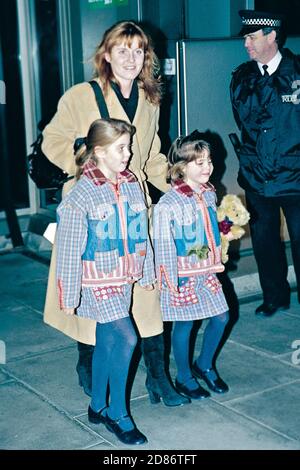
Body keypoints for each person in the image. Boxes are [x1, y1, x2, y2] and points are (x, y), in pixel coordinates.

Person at [42, 20, 187, 406]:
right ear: (106, 54)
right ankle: (87, 364)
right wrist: (88, 161)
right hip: (92, 206)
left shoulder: (151, 98)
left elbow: (153, 156)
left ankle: (158, 377)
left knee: (147, 292)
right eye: (122, 49)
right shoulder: (80, 95)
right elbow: (52, 142)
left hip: (135, 207)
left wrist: (183, 188)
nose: (131, 57)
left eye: (139, 50)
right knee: (92, 294)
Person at [56, 118, 153, 445]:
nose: (128, 154)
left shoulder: (130, 183)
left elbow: (142, 230)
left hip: (123, 277)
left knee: (108, 340)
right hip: (96, 281)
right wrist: (69, 294)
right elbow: (68, 250)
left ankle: (97, 404)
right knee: (127, 339)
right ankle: (117, 413)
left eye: (128, 147)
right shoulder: (81, 194)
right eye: (121, 148)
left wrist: (148, 269)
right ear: (99, 152)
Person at [230, 10, 300, 317]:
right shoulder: (243, 77)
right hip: (257, 176)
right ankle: (275, 296)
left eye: (252, 37)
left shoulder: (298, 73)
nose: (246, 43)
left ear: (272, 36)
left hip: (296, 176)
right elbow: (245, 120)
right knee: (264, 241)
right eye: (246, 37)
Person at [153, 132, 229, 399]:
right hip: (181, 274)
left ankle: (204, 364)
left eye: (209, 161)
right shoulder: (169, 203)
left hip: (206, 270)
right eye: (199, 163)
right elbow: (163, 243)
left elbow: (210, 229)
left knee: (221, 316)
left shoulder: (209, 193)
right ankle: (183, 376)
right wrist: (170, 279)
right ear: (182, 168)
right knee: (185, 325)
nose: (207, 167)